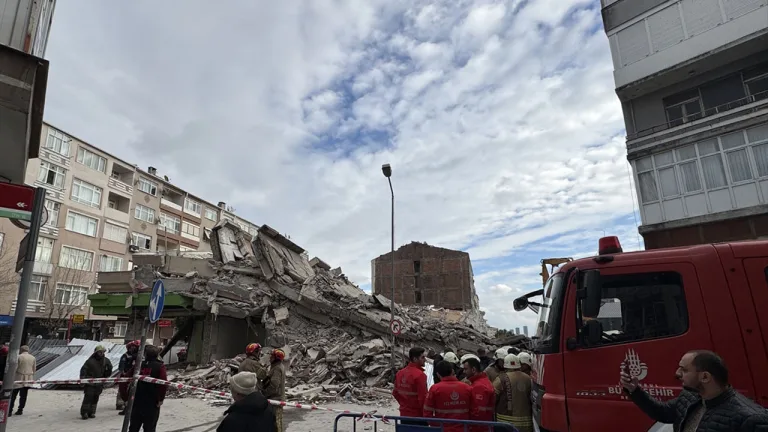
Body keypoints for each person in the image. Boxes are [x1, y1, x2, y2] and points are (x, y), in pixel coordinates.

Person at [621, 350, 768, 431]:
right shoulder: (690, 397)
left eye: (684, 370)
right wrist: (634, 390)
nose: (677, 374)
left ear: (705, 377)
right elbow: (662, 412)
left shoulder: (752, 419)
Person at [423, 360, 472, 432]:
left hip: (442, 428)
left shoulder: (435, 389)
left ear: (438, 374)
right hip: (463, 429)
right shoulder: (467, 387)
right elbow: (474, 410)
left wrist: (437, 426)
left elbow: (427, 413)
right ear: (452, 371)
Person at [128, 345, 167, 432]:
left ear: (145, 354)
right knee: (150, 427)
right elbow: (163, 384)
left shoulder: (139, 365)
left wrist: (126, 396)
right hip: (152, 401)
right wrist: (160, 399)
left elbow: (127, 377)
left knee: (134, 427)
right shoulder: (160, 366)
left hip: (137, 399)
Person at [493, 354, 533, 432]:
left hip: (505, 424)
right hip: (526, 424)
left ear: (505, 366)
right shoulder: (528, 378)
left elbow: (493, 397)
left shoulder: (501, 379)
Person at [393, 347, 428, 425]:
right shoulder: (420, 375)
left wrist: (404, 405)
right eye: (422, 357)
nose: (425, 360)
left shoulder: (400, 373)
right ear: (415, 359)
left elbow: (395, 393)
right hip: (418, 416)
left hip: (404, 414)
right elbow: (423, 398)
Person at [80, 345, 113, 420]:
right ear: (96, 352)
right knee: (88, 397)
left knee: (95, 398)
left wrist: (108, 371)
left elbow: (108, 372)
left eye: (102, 352)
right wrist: (82, 380)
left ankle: (92, 412)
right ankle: (84, 412)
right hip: (90, 383)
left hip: (99, 383)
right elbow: (83, 370)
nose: (101, 353)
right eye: (99, 352)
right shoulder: (90, 361)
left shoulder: (106, 361)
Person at [462, 356, 495, 431]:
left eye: (466, 369)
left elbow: (478, 412)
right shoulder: (483, 381)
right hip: (485, 425)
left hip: (478, 427)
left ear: (473, 369)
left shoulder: (479, 386)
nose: (464, 372)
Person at [262, 349, 286, 432]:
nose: (270, 357)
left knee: (276, 425)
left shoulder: (277, 369)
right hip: (275, 399)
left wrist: (264, 394)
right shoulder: (276, 366)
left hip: (275, 400)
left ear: (276, 358)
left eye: (272, 356)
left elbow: (274, 385)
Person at [9, 345, 36, 416]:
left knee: (13, 395)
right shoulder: (33, 357)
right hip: (28, 378)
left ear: (21, 350)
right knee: (23, 396)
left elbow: (15, 367)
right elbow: (34, 369)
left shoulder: (19, 357)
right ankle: (20, 410)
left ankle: (9, 411)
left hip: (18, 377)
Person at [118, 340, 140, 414]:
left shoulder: (138, 356)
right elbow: (122, 365)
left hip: (134, 376)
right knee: (124, 391)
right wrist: (122, 372)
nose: (132, 348)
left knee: (132, 392)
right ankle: (122, 405)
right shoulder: (126, 355)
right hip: (126, 375)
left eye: (135, 347)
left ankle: (130, 408)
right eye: (132, 347)